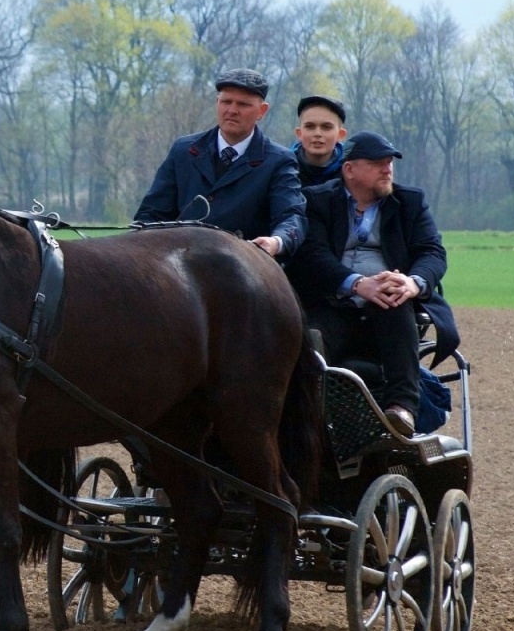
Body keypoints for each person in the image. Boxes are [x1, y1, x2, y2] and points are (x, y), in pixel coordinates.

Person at [286, 131, 459, 437]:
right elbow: (313, 255)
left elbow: (431, 252)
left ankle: (402, 409)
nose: (387, 169)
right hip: (331, 305)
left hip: (389, 307)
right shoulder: (316, 200)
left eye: (390, 162)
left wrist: (412, 283)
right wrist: (356, 284)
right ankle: (312, 422)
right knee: (311, 338)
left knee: (396, 302)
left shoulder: (410, 202)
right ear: (349, 169)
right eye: (378, 163)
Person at [134, 67, 305, 260]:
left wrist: (275, 242)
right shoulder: (184, 150)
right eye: (226, 102)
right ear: (217, 102)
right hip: (180, 264)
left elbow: (291, 216)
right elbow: (152, 214)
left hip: (242, 266)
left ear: (262, 111)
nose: (232, 110)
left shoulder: (278, 160)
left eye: (243, 104)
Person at [293, 94, 348, 187]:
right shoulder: (283, 168)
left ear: (340, 134)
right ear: (299, 133)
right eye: (310, 126)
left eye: (326, 127)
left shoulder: (350, 173)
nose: (317, 133)